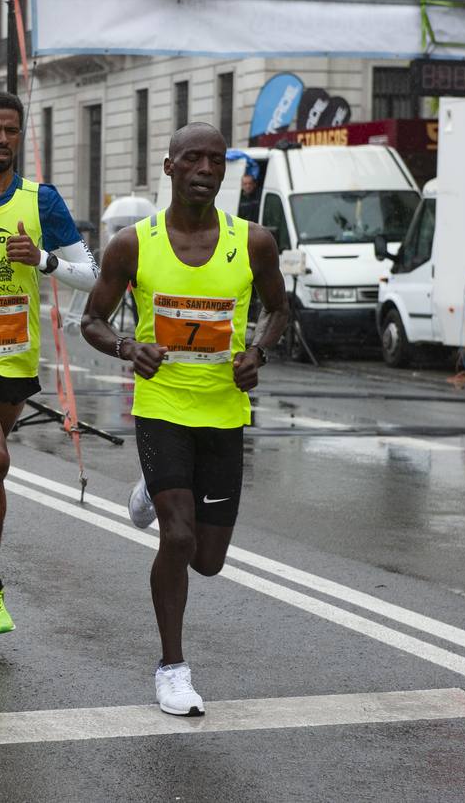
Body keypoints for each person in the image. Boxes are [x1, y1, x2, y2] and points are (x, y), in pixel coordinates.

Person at [81, 123, 288, 716]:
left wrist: (259, 351)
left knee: (209, 559)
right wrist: (126, 348)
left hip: (223, 410)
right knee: (178, 535)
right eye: (192, 158)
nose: (204, 169)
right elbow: (92, 320)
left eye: (215, 160)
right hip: (162, 407)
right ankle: (172, 669)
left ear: (225, 171)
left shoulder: (254, 242)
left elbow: (278, 309)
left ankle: (156, 484)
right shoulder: (132, 244)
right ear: (168, 167)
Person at [0, 92, 99, 635]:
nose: (3, 140)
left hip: (16, 353)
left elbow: (92, 274)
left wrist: (45, 260)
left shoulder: (42, 201)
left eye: (12, 131)